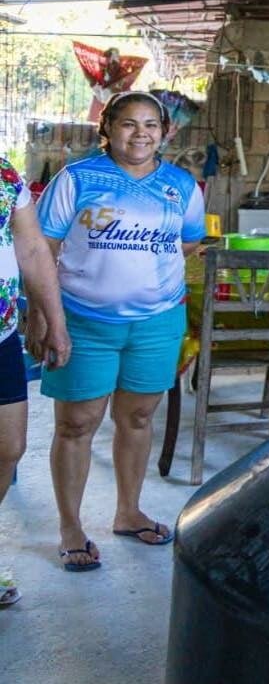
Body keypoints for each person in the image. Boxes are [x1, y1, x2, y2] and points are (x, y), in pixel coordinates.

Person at [34, 91, 206, 571]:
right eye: (129, 124)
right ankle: (71, 528)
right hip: (83, 321)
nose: (141, 134)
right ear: (106, 128)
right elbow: (41, 246)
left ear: (166, 132)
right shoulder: (78, 178)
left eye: (151, 124)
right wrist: (45, 316)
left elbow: (188, 243)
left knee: (136, 419)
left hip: (156, 322)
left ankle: (128, 512)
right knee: (76, 424)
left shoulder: (181, 185)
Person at [0, 155, 71, 604]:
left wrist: (54, 320)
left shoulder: (3, 174)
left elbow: (30, 249)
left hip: (1, 332)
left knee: (9, 447)